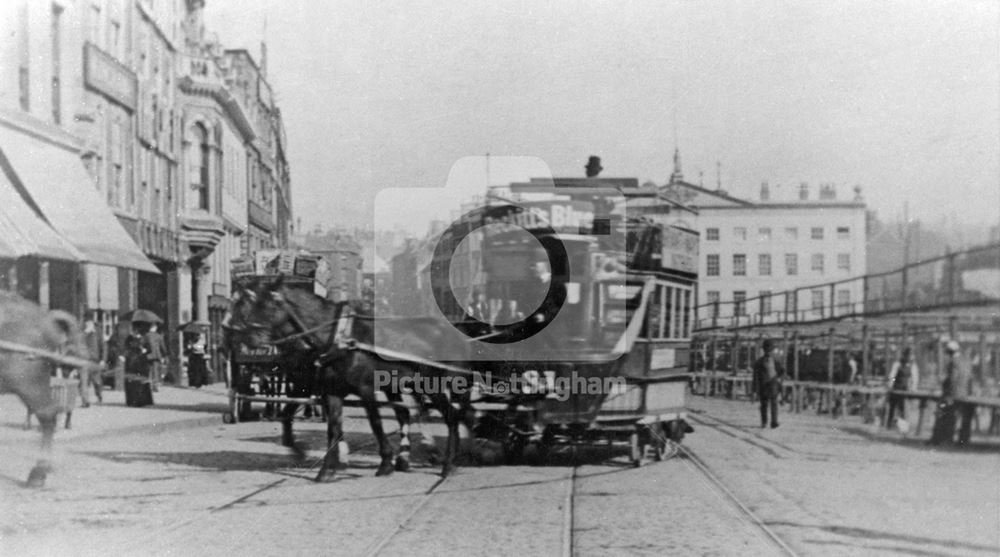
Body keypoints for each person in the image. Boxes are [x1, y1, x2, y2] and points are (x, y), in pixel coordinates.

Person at [930, 341, 962, 445]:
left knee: (945, 415)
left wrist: (948, 393)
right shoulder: (961, 360)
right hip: (959, 394)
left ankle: (943, 439)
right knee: (948, 416)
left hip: (951, 395)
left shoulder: (954, 362)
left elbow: (952, 379)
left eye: (948, 352)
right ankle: (942, 439)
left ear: (950, 352)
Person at [752, 339, 785, 429]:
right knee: (764, 404)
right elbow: (755, 377)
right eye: (767, 350)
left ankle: (774, 422)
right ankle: (764, 422)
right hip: (763, 385)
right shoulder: (759, 362)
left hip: (773, 385)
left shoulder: (775, 361)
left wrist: (777, 376)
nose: (769, 352)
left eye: (770, 350)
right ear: (764, 350)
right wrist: (755, 389)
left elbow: (781, 371)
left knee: (774, 404)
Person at [886, 347, 918, 427]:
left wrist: (913, 387)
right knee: (892, 407)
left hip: (905, 389)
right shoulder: (898, 364)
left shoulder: (912, 365)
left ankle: (903, 425)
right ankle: (889, 425)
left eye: (910, 355)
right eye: (907, 355)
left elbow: (914, 378)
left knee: (903, 408)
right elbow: (892, 376)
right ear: (904, 355)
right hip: (896, 388)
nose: (908, 357)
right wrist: (891, 384)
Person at [78, 319, 104, 406]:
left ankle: (99, 396)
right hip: (84, 360)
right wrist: (85, 332)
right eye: (87, 322)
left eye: (89, 322)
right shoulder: (82, 330)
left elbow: (102, 345)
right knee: (84, 381)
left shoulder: (98, 331)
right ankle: (85, 401)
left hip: (95, 360)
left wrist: (103, 359)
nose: (88, 324)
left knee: (97, 381)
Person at [144, 323, 168, 391]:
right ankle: (155, 385)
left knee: (149, 370)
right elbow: (163, 346)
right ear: (155, 328)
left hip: (148, 355)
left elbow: (142, 344)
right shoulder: (159, 336)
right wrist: (165, 355)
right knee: (155, 370)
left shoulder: (146, 335)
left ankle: (149, 384)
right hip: (157, 355)